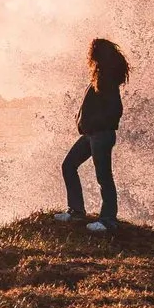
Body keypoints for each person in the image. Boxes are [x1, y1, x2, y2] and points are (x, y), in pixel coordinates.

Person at [61, 37, 128, 231]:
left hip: (101, 135)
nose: (89, 55)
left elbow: (116, 109)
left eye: (92, 51)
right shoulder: (99, 77)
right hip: (91, 135)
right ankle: (76, 211)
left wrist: (98, 124)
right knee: (68, 165)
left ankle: (108, 220)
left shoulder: (107, 78)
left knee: (104, 177)